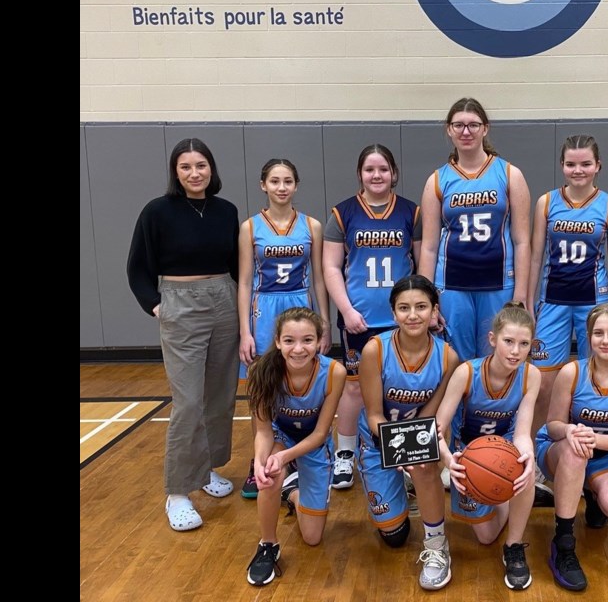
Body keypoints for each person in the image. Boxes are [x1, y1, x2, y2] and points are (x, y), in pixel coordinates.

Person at [126, 138, 241, 531]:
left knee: (220, 395)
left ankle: (205, 470)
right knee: (188, 401)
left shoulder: (226, 211)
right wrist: (157, 305)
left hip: (223, 299)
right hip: (180, 303)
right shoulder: (157, 212)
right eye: (186, 167)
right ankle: (178, 491)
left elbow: (236, 265)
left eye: (202, 165)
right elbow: (137, 268)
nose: (195, 173)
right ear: (175, 172)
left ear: (212, 168)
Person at [534, 303, 608, 591]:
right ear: (588, 337)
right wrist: (571, 431)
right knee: (576, 452)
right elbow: (552, 425)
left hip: (605, 455)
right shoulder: (572, 372)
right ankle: (563, 544)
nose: (605, 340)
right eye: (598, 333)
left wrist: (593, 439)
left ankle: (592, 492)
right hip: (558, 450)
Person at [323, 145, 421, 491]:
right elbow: (331, 267)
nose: (376, 176)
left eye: (383, 169)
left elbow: (422, 266)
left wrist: (422, 310)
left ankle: (407, 453)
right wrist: (347, 310)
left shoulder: (412, 212)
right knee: (353, 389)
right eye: (369, 170)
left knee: (405, 389)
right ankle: (346, 454)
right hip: (360, 319)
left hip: (402, 320)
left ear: (394, 173)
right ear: (359, 174)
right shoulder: (343, 213)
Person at [357, 275, 460, 590]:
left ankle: (436, 545)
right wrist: (396, 450)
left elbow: (429, 417)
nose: (412, 315)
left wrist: (412, 451)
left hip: (416, 434)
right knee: (394, 536)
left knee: (424, 466)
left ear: (434, 311)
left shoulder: (448, 357)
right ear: (393, 313)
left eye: (420, 307)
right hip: (378, 439)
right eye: (404, 308)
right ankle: (400, 483)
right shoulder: (374, 350)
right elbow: (374, 414)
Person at [238, 158, 332, 499]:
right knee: (263, 387)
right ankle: (259, 460)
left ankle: (298, 454)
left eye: (287, 181)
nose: (281, 187)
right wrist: (245, 331)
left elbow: (320, 278)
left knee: (302, 380)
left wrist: (324, 323)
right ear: (263, 185)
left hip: (300, 307)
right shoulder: (250, 227)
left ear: (296, 185)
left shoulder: (312, 226)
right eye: (275, 181)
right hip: (264, 308)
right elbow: (245, 281)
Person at [435, 302, 541, 591]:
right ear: (493, 340)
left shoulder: (532, 375)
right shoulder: (467, 373)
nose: (515, 351)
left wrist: (527, 453)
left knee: (526, 469)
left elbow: (522, 431)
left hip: (504, 449)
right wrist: (448, 459)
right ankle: (505, 498)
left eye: (523, 344)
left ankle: (515, 546)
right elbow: (438, 427)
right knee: (485, 536)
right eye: (508, 341)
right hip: (467, 456)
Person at [419, 97, 531, 361]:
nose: (466, 132)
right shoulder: (437, 180)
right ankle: (459, 405)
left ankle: (496, 404)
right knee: (456, 359)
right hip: (452, 284)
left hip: (499, 282)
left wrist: (521, 293)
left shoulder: (510, 174)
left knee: (499, 356)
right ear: (449, 129)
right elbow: (429, 246)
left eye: (473, 125)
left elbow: (522, 241)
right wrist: (427, 299)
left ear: (485, 128)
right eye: (458, 125)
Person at [527, 134, 608, 431]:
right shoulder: (546, 202)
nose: (578, 170)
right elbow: (534, 257)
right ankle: (540, 449)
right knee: (543, 384)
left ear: (598, 166)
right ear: (562, 166)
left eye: (585, 164)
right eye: (571, 164)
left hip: (594, 303)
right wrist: (529, 303)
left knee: (596, 379)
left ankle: (595, 448)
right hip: (552, 301)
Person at [244, 308, 346, 586]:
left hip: (313, 443)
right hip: (281, 437)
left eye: (307, 340)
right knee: (269, 474)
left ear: (320, 341)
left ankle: (293, 495)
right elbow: (263, 431)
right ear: (277, 341)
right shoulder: (261, 371)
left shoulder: (334, 372)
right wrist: (261, 462)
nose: (298, 349)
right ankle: (268, 545)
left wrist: (287, 457)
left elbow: (321, 433)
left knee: (312, 538)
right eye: (289, 341)